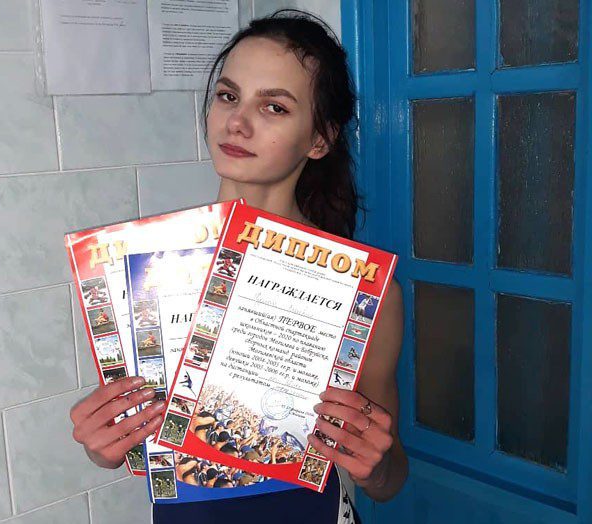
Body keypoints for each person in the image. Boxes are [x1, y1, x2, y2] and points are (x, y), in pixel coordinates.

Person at [69, 9, 407, 523]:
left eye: (274, 106)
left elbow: (389, 479)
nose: (237, 122)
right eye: (229, 96)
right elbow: (138, 439)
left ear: (320, 138)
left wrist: (374, 466)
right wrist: (106, 442)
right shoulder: (145, 271)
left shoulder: (358, 291)